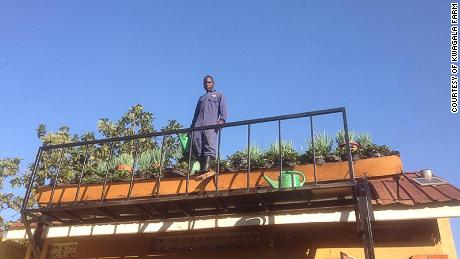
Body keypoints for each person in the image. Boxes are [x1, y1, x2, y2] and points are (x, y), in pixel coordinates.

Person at [190, 75, 228, 173]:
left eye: (209, 82)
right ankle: (199, 167)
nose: (207, 84)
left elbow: (223, 110)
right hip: (198, 126)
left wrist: (221, 121)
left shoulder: (219, 95)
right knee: (196, 143)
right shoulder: (201, 98)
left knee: (209, 144)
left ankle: (206, 167)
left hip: (210, 124)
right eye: (205, 82)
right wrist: (192, 127)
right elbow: (195, 114)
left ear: (213, 83)